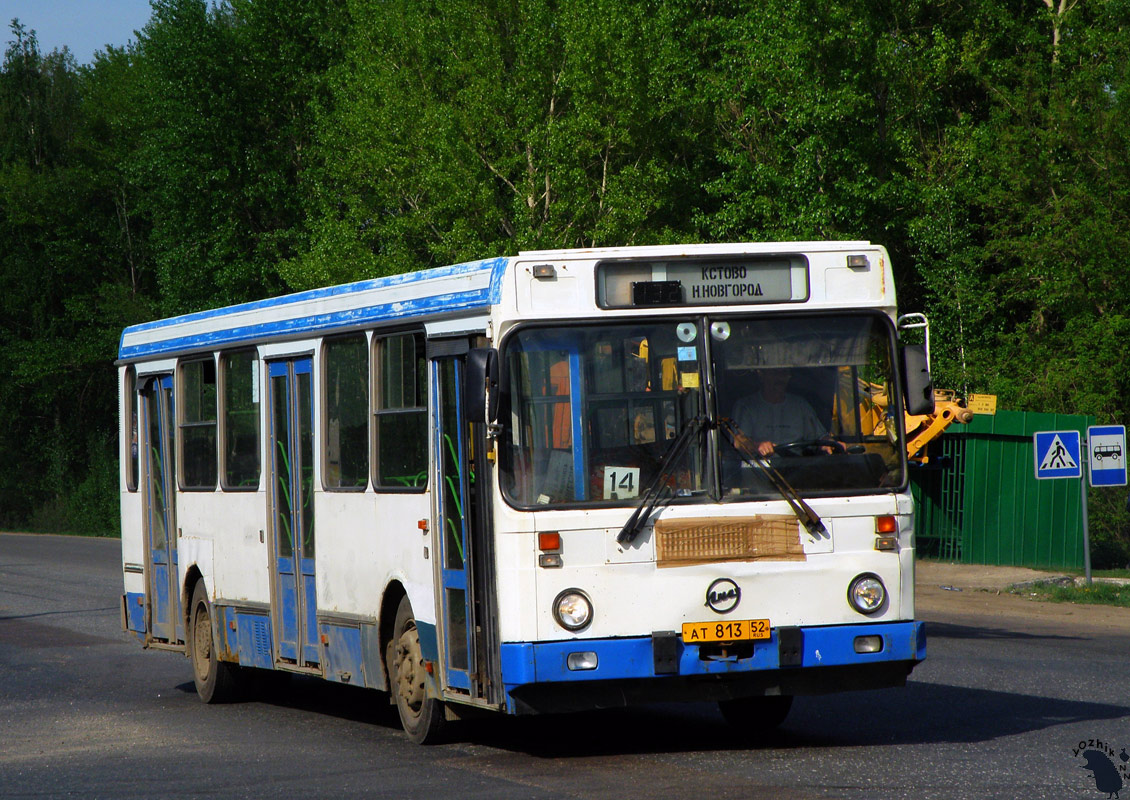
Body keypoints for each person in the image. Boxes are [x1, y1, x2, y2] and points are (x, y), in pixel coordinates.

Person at [731, 368, 829, 456]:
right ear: (761, 374)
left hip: (795, 468)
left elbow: (820, 436)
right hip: (758, 470)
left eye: (784, 373)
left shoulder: (800, 405)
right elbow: (739, 441)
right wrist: (758, 446)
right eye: (775, 372)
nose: (780, 378)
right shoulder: (746, 406)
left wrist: (829, 444)